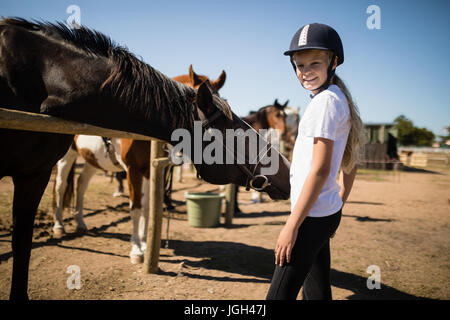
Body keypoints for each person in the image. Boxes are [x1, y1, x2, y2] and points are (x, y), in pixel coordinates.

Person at [266, 23, 366, 300]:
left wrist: (292, 226)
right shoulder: (336, 98)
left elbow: (321, 170)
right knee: (317, 291)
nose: (306, 71)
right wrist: (338, 205)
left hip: (310, 217)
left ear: (333, 62)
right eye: (299, 65)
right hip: (324, 212)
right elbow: (351, 161)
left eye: (315, 63)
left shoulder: (324, 104)